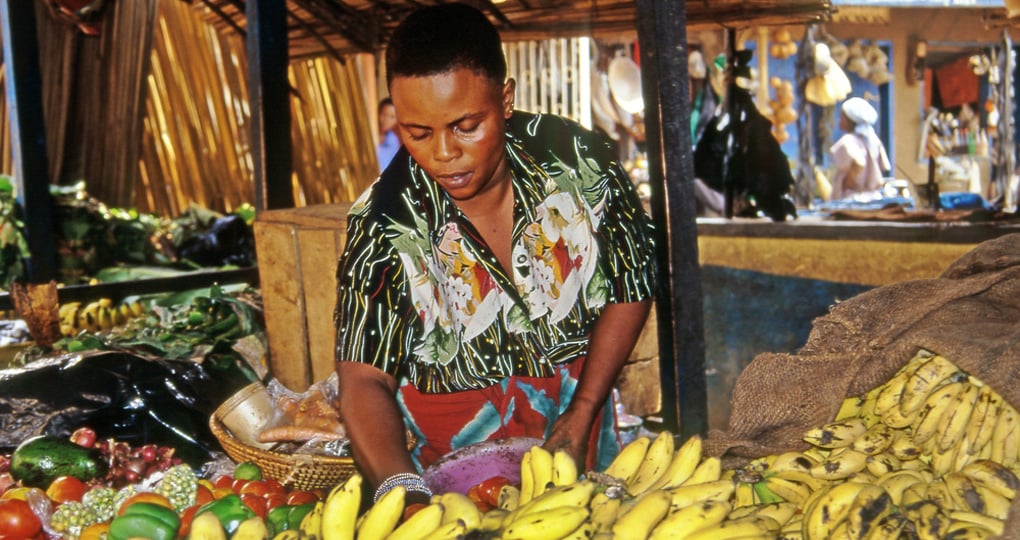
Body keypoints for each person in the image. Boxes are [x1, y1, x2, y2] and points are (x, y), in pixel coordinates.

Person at [333, 3, 657, 509]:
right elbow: (364, 377)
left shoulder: (580, 163)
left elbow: (630, 283)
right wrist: (404, 494)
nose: (444, 153)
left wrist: (584, 409)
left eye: (466, 126)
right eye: (418, 133)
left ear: (505, 100)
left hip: (584, 437)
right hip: (449, 478)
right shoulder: (383, 222)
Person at [829, 96, 891, 200]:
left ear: (850, 120)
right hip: (873, 198)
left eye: (842, 117)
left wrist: (835, 200)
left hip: (851, 199)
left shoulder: (847, 142)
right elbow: (884, 166)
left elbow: (855, 166)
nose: (839, 120)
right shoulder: (874, 141)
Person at [375, 97, 400, 173]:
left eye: (392, 117)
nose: (386, 120)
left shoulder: (394, 141)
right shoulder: (369, 136)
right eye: (384, 114)